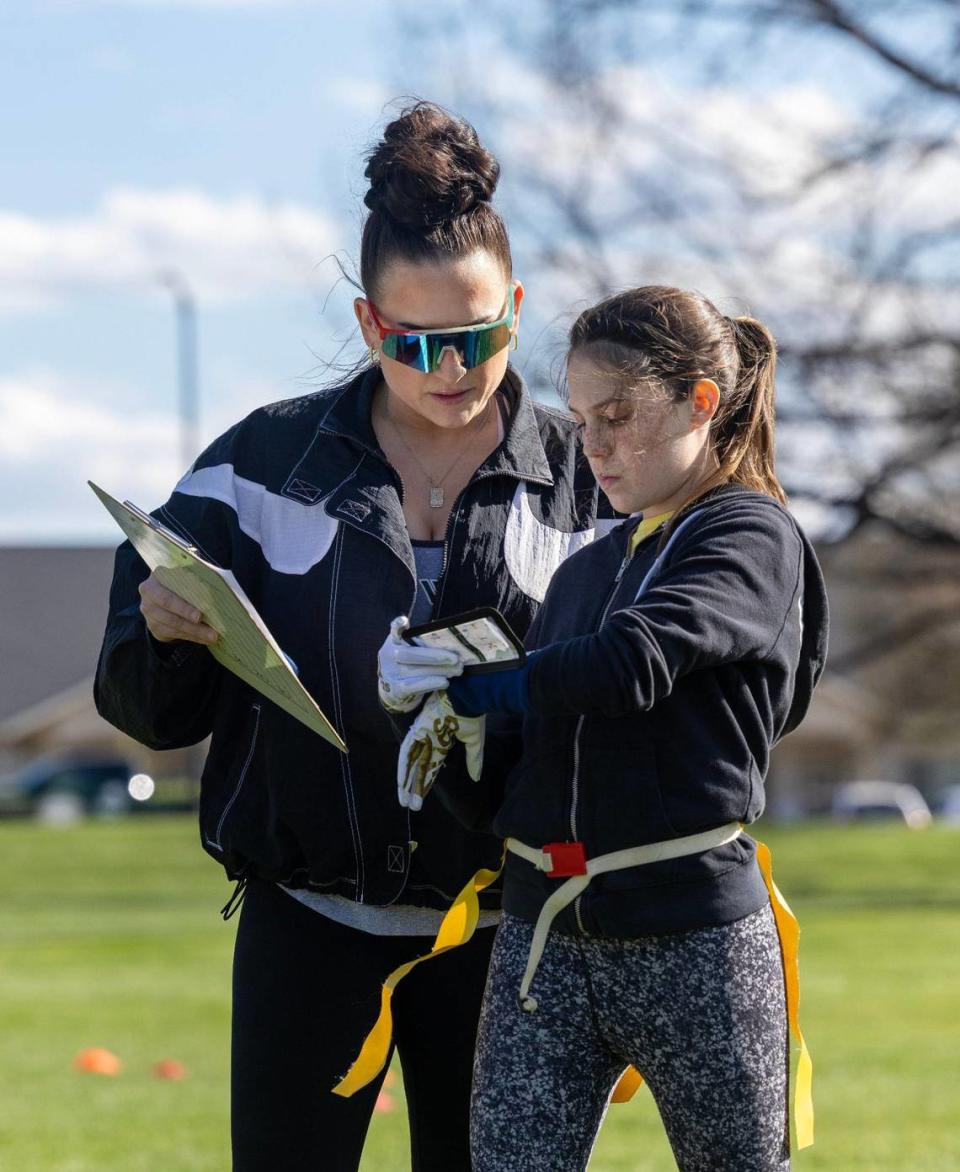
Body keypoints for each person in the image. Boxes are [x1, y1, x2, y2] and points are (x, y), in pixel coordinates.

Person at [94, 101, 613, 1172]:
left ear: (517, 309)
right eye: (416, 341)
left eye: (477, 335)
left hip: (508, 935)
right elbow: (142, 705)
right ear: (371, 325)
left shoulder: (592, 483)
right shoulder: (255, 466)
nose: (451, 365)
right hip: (305, 927)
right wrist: (165, 635)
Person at [384, 285, 829, 1172]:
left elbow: (632, 664)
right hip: (544, 939)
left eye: (618, 416)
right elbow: (518, 784)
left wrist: (487, 687)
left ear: (702, 402)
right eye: (582, 419)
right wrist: (445, 735)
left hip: (694, 935)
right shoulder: (586, 570)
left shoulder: (749, 534)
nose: (592, 445)